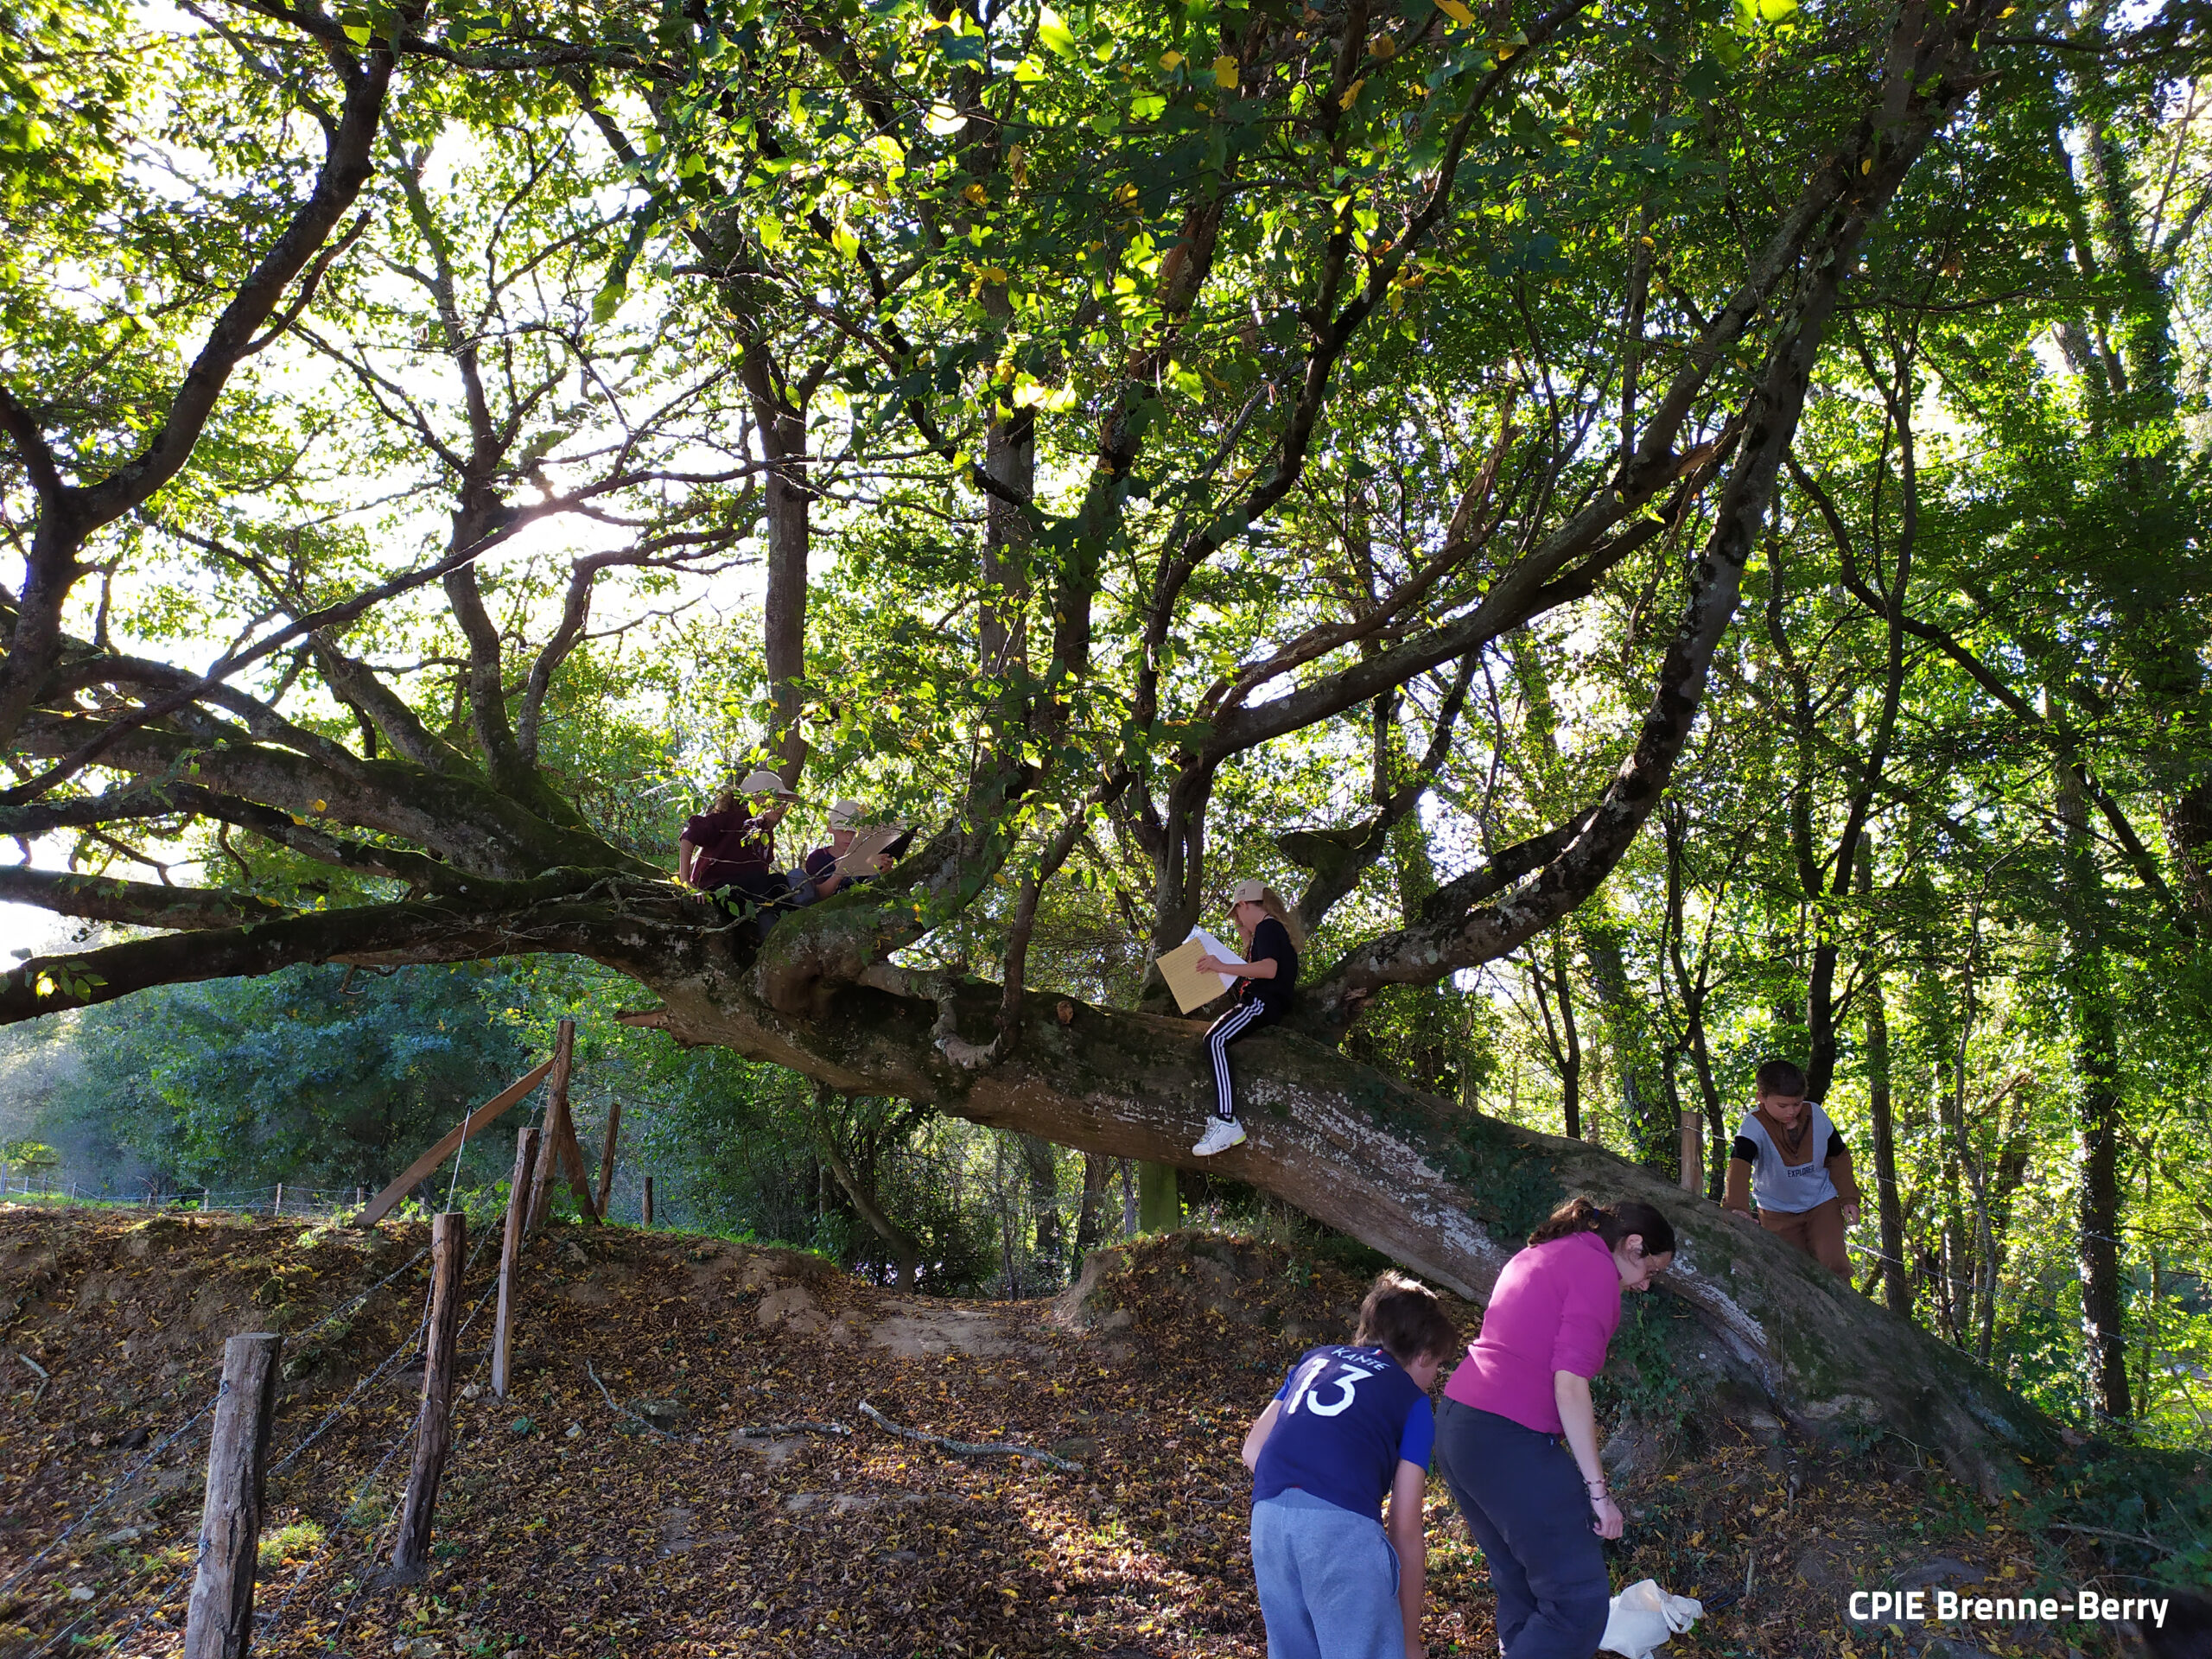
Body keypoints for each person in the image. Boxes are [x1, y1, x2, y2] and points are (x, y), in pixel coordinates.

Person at [1433, 1196, 1675, 1659]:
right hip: (1507, 1438)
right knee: (1577, 1601)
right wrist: (1598, 1493)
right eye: (1652, 1271)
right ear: (1633, 1245)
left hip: (1459, 1425)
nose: (1646, 1285)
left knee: (1520, 1582)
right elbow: (1569, 1385)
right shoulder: (1596, 1273)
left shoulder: (1548, 1251)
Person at [1241, 1270, 1459, 1659]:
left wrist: (1303, 1492)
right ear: (1424, 1354)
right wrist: (1409, 1641)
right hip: (1341, 1532)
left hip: (1269, 1519)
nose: (1435, 1376)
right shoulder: (1412, 1401)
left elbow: (1253, 1448)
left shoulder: (1314, 1360)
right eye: (1438, 1365)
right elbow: (1405, 1528)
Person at [1190, 878, 1303, 1157]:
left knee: (1215, 1039)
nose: (1238, 920)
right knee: (1216, 1037)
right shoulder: (1269, 931)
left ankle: (1226, 1120)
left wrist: (1219, 964)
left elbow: (1269, 969)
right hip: (1263, 1003)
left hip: (1260, 1004)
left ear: (1243, 905)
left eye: (1238, 914)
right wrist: (1245, 942)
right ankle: (1226, 1121)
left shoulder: (1267, 927)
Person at [1721, 1058, 1862, 1277]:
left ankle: (1845, 1311)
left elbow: (1838, 1156)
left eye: (1797, 1104)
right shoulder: (1753, 1124)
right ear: (1761, 1097)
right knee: (1791, 1272)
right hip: (1776, 1211)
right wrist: (1736, 1207)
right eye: (1783, 1106)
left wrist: (1849, 1198)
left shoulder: (1816, 1114)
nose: (1791, 1112)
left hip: (1821, 1202)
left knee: (1834, 1265)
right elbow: (1739, 1165)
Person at [677, 769, 797, 909]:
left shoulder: (765, 832)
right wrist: (686, 882)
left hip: (750, 892)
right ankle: (767, 928)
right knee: (759, 881)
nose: (781, 806)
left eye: (783, 801)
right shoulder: (729, 819)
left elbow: (762, 871)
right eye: (776, 799)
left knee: (780, 882)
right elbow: (689, 836)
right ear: (756, 798)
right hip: (717, 888)